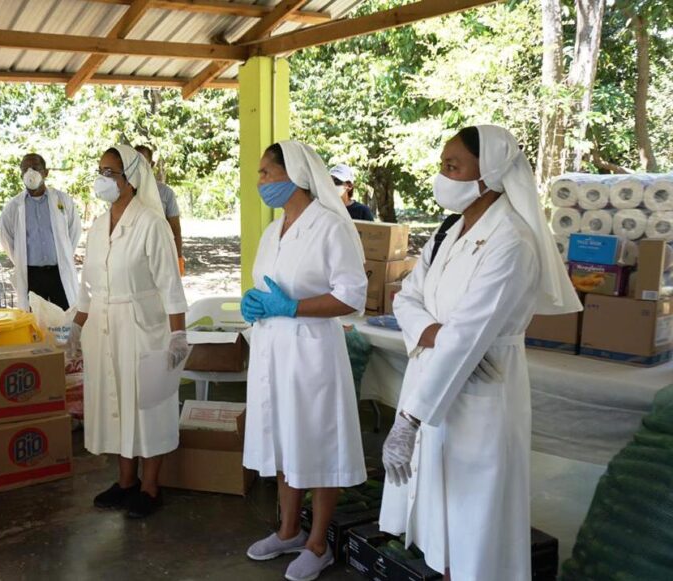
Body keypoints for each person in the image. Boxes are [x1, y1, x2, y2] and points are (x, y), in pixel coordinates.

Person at [379, 126, 581, 581]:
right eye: (443, 165)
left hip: (483, 395)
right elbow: (406, 296)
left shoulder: (512, 241)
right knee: (440, 523)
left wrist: (409, 419)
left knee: (476, 527)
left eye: (453, 166)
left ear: (487, 173)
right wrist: (432, 331)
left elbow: (470, 334)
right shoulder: (450, 230)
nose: (442, 175)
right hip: (438, 374)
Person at [240, 141, 369, 581]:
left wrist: (293, 308)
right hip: (273, 350)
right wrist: (255, 303)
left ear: (293, 174)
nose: (260, 182)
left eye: (265, 173)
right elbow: (266, 284)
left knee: (317, 443)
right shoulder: (274, 229)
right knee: (284, 440)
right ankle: (289, 530)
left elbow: (352, 296)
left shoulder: (331, 226)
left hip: (312, 352)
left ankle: (318, 543)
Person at [65, 144, 188, 519]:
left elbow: (171, 287)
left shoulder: (152, 224)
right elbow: (89, 286)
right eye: (100, 170)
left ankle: (151, 488)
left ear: (130, 179)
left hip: (142, 327)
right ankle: (125, 481)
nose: (102, 179)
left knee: (146, 406)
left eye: (111, 173)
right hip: (104, 328)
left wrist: (177, 337)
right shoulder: (99, 227)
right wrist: (76, 327)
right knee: (114, 403)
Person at [0, 153, 81, 311]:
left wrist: (64, 253)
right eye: (25, 169)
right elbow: (7, 239)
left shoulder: (62, 200)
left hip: (59, 272)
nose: (30, 173)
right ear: (21, 174)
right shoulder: (13, 207)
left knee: (64, 319)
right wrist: (20, 259)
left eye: (35, 168)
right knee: (35, 323)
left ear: (46, 172)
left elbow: (74, 231)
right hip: (32, 275)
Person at [134, 145, 184, 275]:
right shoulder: (124, 192)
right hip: (133, 254)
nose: (139, 166)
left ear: (152, 164)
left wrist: (178, 259)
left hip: (161, 252)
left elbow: (175, 229)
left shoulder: (166, 193)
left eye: (143, 161)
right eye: (135, 161)